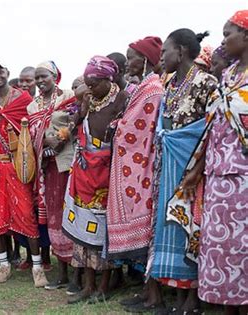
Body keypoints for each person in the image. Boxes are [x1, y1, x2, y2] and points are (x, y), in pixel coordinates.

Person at [180, 10, 248, 315]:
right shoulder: (229, 75)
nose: (223, 40)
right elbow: (214, 125)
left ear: (246, 36)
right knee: (222, 249)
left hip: (244, 175)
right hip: (219, 175)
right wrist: (197, 168)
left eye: (228, 33)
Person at [146, 29, 217, 314]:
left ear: (182, 51)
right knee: (172, 226)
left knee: (193, 226)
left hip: (193, 169)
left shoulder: (206, 83)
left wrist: (196, 168)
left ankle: (194, 296)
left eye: (165, 51)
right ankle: (177, 292)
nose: (161, 58)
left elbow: (212, 129)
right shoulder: (170, 85)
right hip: (170, 166)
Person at [62, 56, 129, 304]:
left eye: (94, 83)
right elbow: (76, 123)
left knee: (103, 231)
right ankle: (88, 285)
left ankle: (103, 286)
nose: (89, 87)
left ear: (108, 79)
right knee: (83, 228)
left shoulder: (123, 99)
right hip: (84, 172)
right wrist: (79, 112)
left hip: (107, 173)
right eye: (87, 82)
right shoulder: (88, 99)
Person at [106, 37, 166, 311]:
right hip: (132, 165)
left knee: (149, 231)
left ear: (144, 59)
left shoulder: (153, 88)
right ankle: (146, 291)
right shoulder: (143, 86)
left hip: (143, 167)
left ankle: (154, 295)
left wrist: (119, 127)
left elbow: (141, 127)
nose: (128, 62)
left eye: (132, 56)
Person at [0, 60, 48, 287]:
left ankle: (38, 267)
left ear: (7, 73)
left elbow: (32, 129)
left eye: (0, 72)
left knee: (26, 214)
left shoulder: (22, 100)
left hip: (18, 166)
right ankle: (4, 264)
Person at [27, 61, 76, 290]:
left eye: (43, 76)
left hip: (66, 164)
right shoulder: (32, 107)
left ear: (55, 75)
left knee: (71, 214)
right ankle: (62, 271)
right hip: (46, 168)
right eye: (36, 78)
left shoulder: (67, 96)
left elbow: (76, 121)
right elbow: (31, 135)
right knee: (54, 217)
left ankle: (77, 271)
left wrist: (60, 139)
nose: (39, 81)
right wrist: (45, 142)